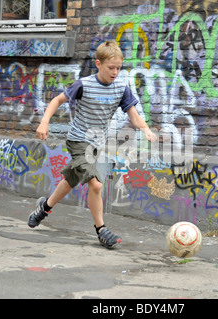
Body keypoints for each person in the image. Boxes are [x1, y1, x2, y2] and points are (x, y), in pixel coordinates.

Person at [28, 41, 156, 249]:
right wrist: (44, 122)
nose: (115, 72)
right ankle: (102, 230)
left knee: (71, 179)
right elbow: (56, 101)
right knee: (95, 184)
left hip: (96, 144)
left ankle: (44, 207)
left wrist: (145, 128)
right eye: (110, 68)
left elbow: (134, 116)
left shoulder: (121, 88)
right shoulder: (83, 85)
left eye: (118, 68)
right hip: (78, 141)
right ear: (98, 64)